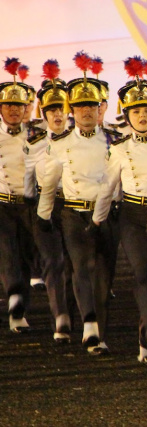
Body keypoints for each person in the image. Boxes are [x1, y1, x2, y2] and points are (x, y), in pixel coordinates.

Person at [93, 59, 147, 364]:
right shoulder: (118, 149)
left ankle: (146, 338)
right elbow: (108, 188)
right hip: (132, 217)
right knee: (144, 273)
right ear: (127, 115)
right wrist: (97, 221)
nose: (142, 116)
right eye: (136, 111)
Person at [37, 53, 120, 354]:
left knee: (105, 275)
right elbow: (49, 183)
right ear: (72, 110)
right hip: (74, 213)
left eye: (92, 106)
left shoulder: (115, 141)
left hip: (109, 214)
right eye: (81, 106)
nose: (86, 111)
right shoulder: (60, 145)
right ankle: (89, 325)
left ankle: (101, 332)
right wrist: (44, 216)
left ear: (100, 109)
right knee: (82, 267)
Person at [24, 62, 72, 341]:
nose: (57, 114)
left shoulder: (81, 140)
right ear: (43, 113)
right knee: (53, 262)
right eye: (51, 110)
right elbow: (28, 180)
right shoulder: (34, 143)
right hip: (46, 208)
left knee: (76, 265)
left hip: (75, 207)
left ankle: (78, 313)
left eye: (61, 108)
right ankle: (60, 315)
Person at [0, 59, 36, 333]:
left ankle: (19, 310)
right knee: (7, 251)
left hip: (28, 205)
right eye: (8, 105)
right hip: (1, 203)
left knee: (25, 257)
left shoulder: (36, 137)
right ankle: (13, 293)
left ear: (26, 109)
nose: (13, 110)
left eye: (18, 106)